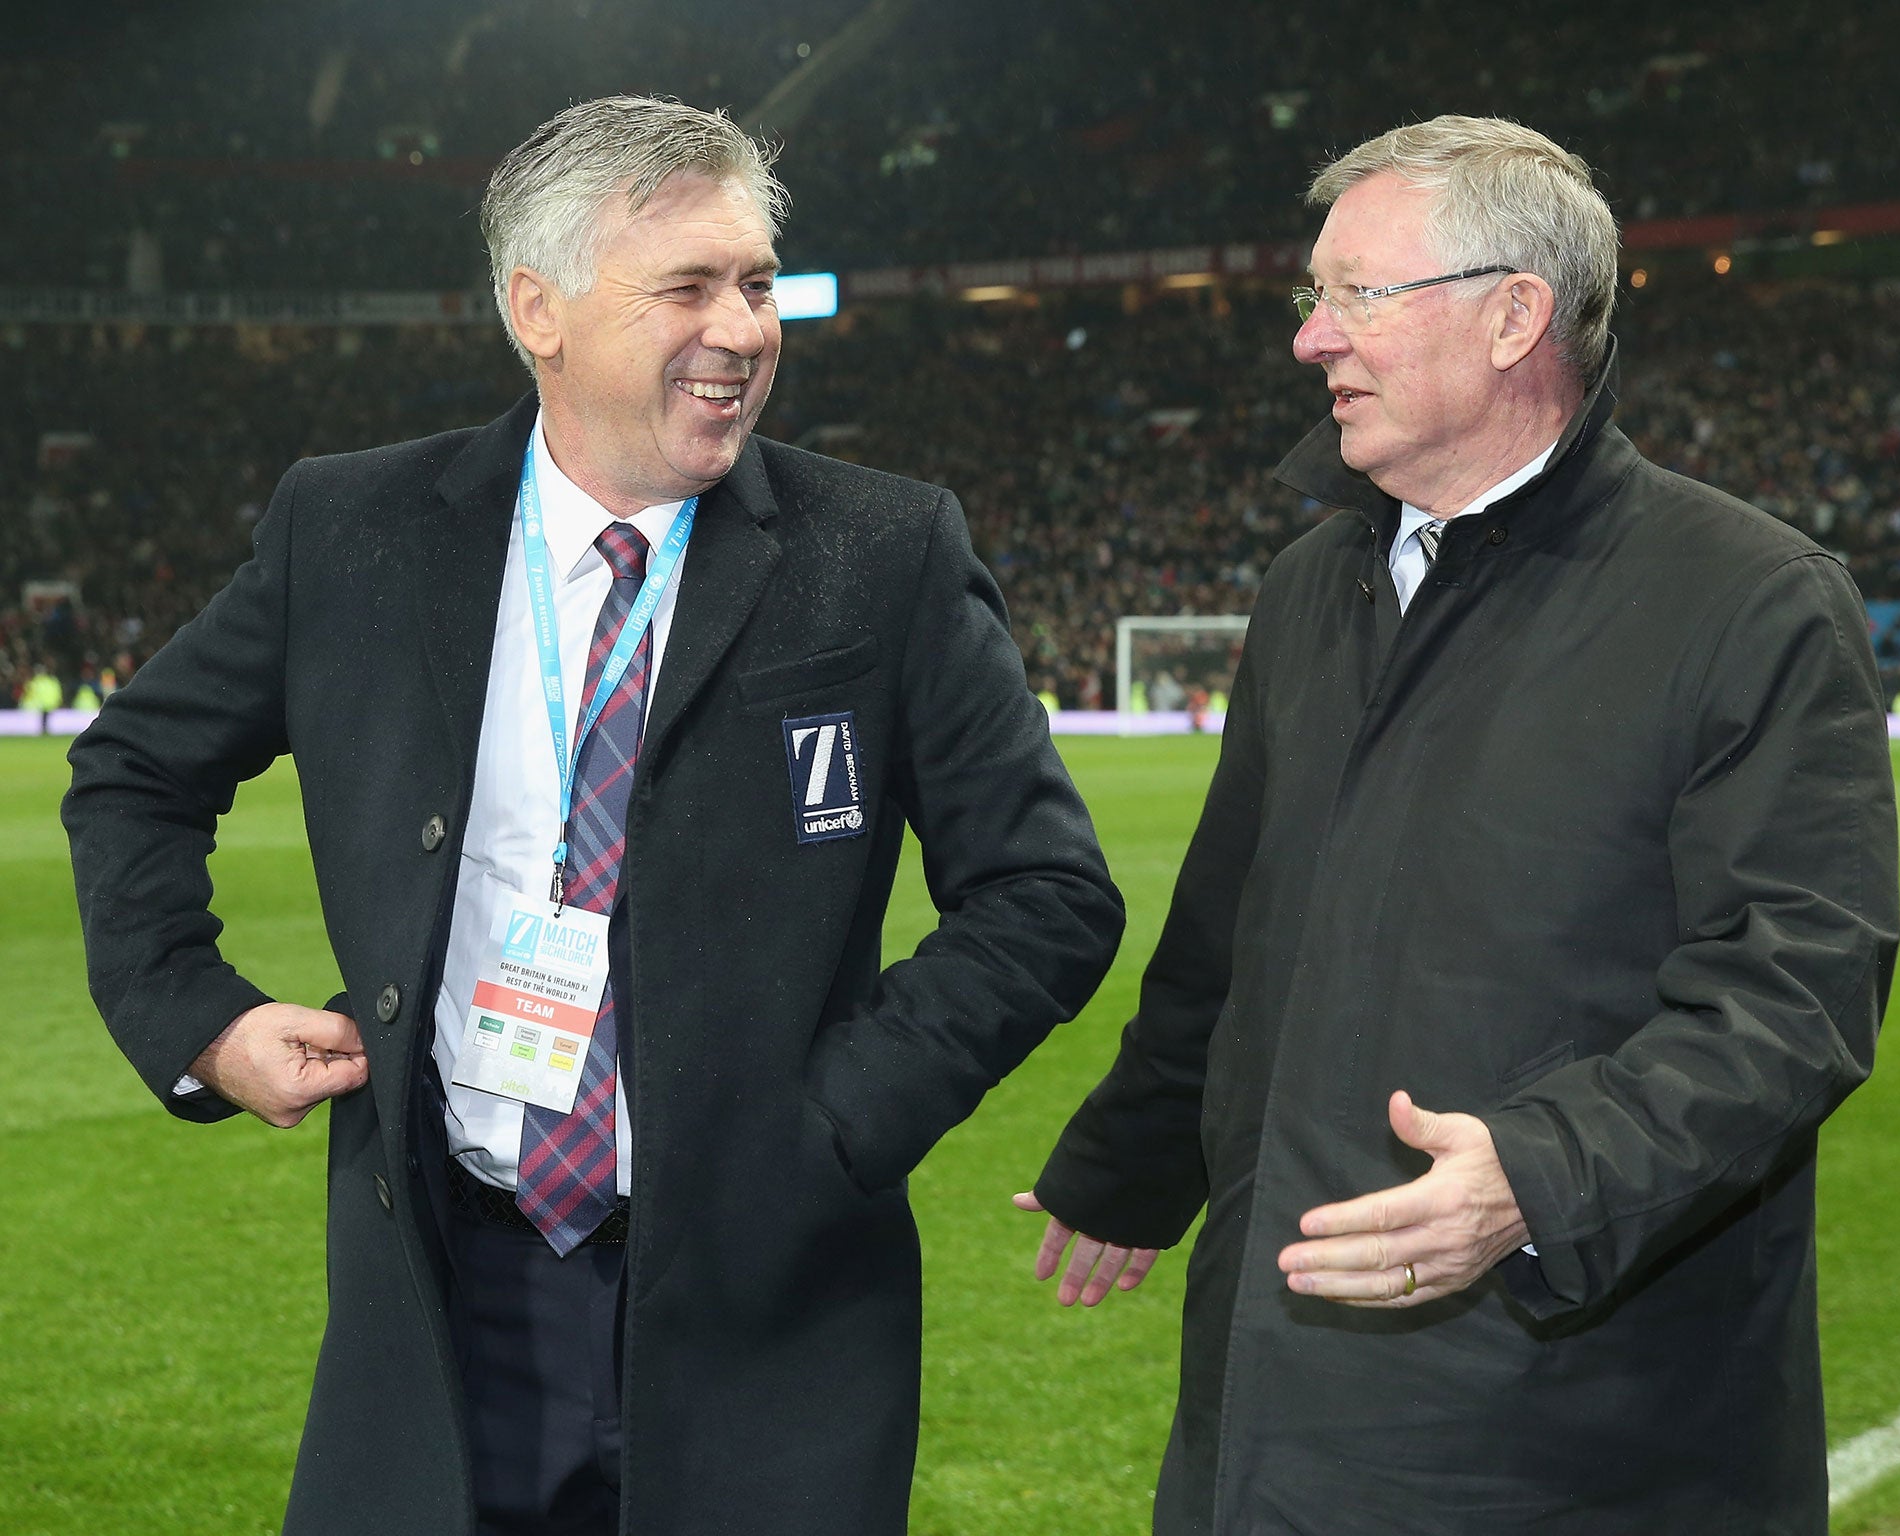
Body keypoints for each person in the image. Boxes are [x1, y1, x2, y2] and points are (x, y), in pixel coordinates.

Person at [66, 96, 1122, 1536]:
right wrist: (196, 1014)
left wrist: (832, 1129)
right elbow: (134, 767)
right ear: (536, 310)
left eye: (755, 283)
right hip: (446, 1292)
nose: (744, 327)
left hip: (765, 1304)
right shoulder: (356, 531)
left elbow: (1048, 892)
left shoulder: (883, 551)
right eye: (687, 286)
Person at [1018, 116, 1899, 1534]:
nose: (1312, 340)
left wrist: (1541, 1176)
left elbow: (1796, 992)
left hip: (1574, 1421)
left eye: (1357, 293)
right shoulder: (1314, 583)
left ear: (1514, 317)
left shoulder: (1748, 600)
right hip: (1277, 1374)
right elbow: (1235, 920)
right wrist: (1137, 1160)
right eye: (1314, 297)